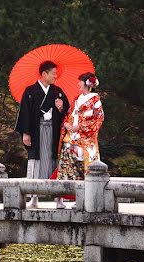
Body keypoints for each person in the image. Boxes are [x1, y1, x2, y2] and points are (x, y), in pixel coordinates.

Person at [14, 61, 69, 208]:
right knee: (36, 163)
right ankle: (34, 199)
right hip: (36, 132)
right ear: (44, 74)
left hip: (53, 133)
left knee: (55, 162)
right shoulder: (30, 91)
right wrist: (26, 133)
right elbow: (24, 113)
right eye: (53, 73)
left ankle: (59, 199)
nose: (55, 76)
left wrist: (61, 107)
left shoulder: (57, 91)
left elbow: (67, 113)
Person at [55, 72, 104, 208]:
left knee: (83, 171)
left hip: (85, 141)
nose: (78, 84)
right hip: (70, 138)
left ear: (88, 84)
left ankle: (82, 200)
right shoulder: (77, 99)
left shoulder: (95, 100)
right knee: (66, 169)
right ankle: (60, 199)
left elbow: (98, 119)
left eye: (80, 82)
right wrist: (66, 124)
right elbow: (69, 115)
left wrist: (79, 127)